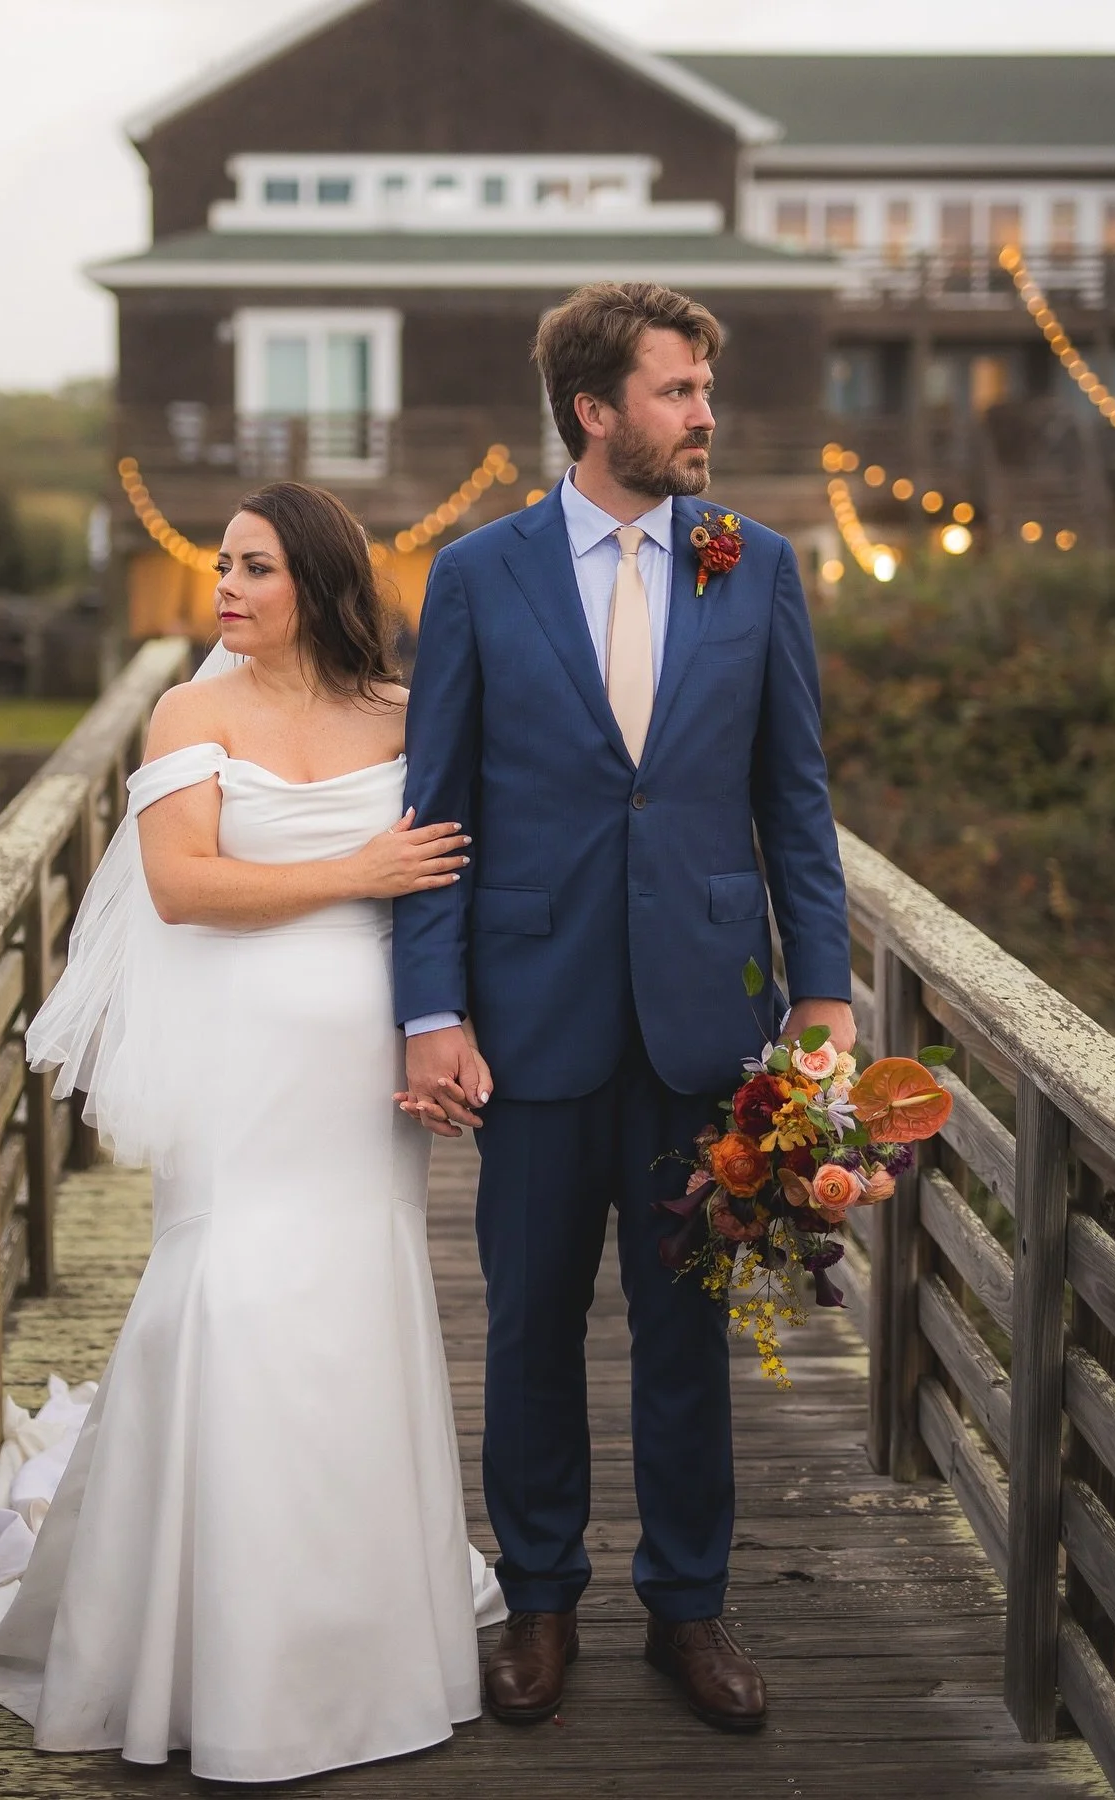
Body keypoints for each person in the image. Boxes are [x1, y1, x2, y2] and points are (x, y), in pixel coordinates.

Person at [0, 481, 504, 1785]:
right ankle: (207, 1653)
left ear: (323, 587)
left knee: (353, 1306)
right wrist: (360, 871)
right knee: (230, 1297)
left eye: (254, 568)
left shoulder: (405, 716)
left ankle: (357, 1645)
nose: (223, 588)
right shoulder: (190, 708)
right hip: (242, 1057)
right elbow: (183, 886)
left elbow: (471, 873)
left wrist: (450, 1024)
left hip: (362, 1064)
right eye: (222, 566)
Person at [393, 281, 856, 1733]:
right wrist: (431, 1011)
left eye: (705, 391)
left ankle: (688, 1610)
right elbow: (437, 809)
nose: (705, 415)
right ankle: (539, 1605)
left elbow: (795, 798)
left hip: (708, 1021)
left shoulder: (755, 564)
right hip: (528, 1023)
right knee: (527, 1326)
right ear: (595, 412)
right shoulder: (478, 573)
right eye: (676, 392)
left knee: (686, 1332)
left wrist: (826, 993)